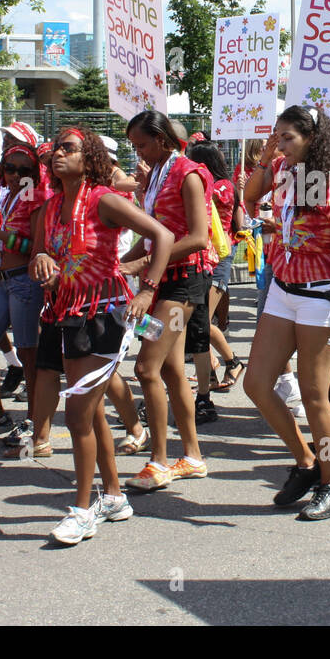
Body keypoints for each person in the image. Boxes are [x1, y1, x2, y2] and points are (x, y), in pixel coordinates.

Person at [30, 127, 175, 544]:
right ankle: (112, 495)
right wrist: (43, 261)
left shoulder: (104, 200)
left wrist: (147, 289)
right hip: (66, 315)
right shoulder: (51, 206)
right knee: (89, 411)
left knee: (76, 414)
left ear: (89, 157)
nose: (58, 153)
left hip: (105, 315)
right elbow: (44, 257)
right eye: (56, 148)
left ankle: (82, 509)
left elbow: (162, 235)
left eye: (69, 148)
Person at [242, 105, 330, 520]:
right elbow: (249, 197)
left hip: (318, 296)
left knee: (314, 396)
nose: (280, 144)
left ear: (312, 138)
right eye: (277, 136)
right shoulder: (283, 171)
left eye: (288, 137)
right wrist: (265, 155)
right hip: (281, 289)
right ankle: (306, 462)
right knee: (255, 383)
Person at [118, 110, 212, 490]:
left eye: (141, 144)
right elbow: (154, 232)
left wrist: (142, 263)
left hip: (183, 284)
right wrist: (119, 264)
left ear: (161, 139)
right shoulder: (156, 174)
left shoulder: (187, 173)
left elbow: (198, 237)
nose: (138, 153)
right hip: (161, 283)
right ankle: (191, 456)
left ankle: (158, 462)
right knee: (170, 371)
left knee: (145, 368)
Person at [0, 141, 48, 439]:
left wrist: (0, 235)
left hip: (24, 281)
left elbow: (35, 248)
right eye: (10, 168)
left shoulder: (36, 198)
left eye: (25, 170)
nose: (15, 175)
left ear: (36, 172)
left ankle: (33, 422)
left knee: (28, 354)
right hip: (4, 280)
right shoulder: (9, 196)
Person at [185, 140, 242, 422]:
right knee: (199, 324)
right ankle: (211, 372)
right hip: (206, 255)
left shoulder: (222, 187)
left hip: (218, 256)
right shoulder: (217, 184)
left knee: (203, 323)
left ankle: (231, 361)